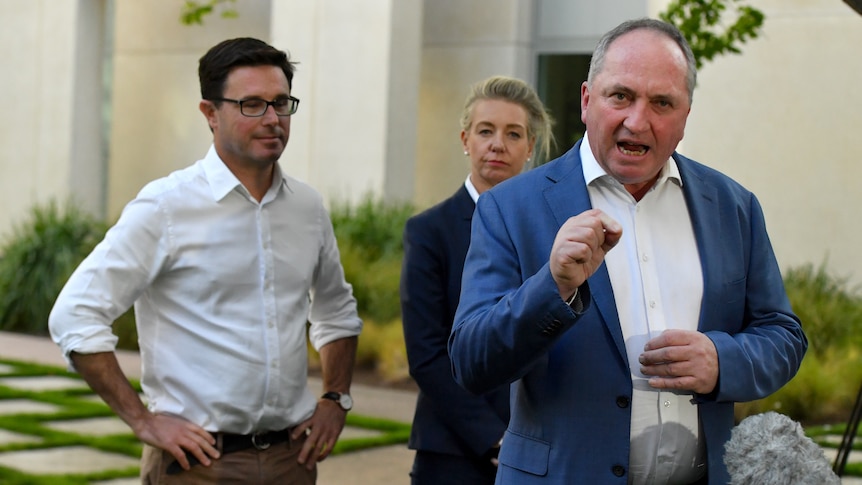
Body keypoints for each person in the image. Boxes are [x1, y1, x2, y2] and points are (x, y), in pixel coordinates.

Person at [448, 18, 808, 484]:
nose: (637, 121)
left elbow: (783, 334)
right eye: (621, 96)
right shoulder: (511, 207)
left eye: (661, 102)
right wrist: (552, 287)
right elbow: (471, 362)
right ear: (586, 100)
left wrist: (722, 361)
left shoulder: (733, 206)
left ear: (685, 116)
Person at [48, 37, 362, 484]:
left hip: (292, 461)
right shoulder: (165, 206)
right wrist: (142, 420)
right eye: (251, 104)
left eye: (280, 103)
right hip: (198, 466)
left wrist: (336, 398)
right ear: (210, 114)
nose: (273, 119)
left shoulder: (307, 208)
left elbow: (336, 312)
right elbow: (75, 316)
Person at [400, 75, 554, 485]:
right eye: (486, 131)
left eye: (513, 133)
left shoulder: (555, 233)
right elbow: (426, 354)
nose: (497, 144)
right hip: (453, 453)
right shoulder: (429, 231)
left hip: (545, 450)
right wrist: (494, 439)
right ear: (466, 139)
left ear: (530, 147)